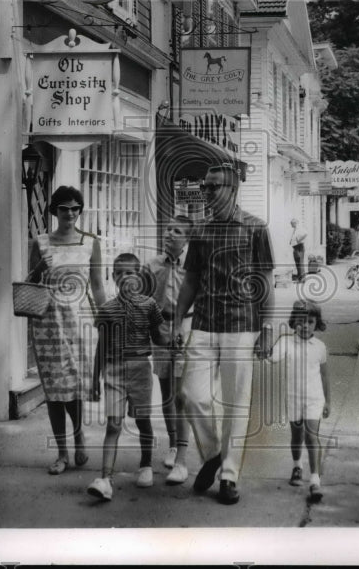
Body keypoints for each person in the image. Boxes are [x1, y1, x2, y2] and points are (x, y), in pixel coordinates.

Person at [173, 163, 275, 505]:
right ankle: (214, 453)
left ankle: (229, 476)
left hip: (241, 326)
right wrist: (176, 321)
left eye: (214, 187)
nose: (207, 192)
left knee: (236, 403)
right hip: (203, 323)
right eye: (205, 187)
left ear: (232, 190)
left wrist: (267, 328)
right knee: (191, 395)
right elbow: (190, 280)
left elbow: (266, 283)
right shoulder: (200, 231)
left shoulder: (256, 229)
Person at [27, 185, 106, 476]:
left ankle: (78, 436)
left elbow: (97, 284)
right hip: (48, 323)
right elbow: (31, 282)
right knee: (54, 390)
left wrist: (104, 316)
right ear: (55, 211)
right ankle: (62, 452)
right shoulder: (42, 242)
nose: (70, 214)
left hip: (80, 321)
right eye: (64, 209)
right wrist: (39, 272)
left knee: (73, 386)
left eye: (75, 208)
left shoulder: (90, 242)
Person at [86, 253, 170, 502]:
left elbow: (158, 338)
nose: (125, 277)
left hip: (140, 368)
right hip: (113, 371)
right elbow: (101, 346)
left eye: (130, 272)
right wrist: (94, 381)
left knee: (143, 420)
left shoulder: (149, 306)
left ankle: (145, 464)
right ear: (113, 277)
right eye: (120, 273)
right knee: (113, 424)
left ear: (139, 278)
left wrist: (171, 341)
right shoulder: (107, 310)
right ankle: (105, 479)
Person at [141, 215, 194, 485]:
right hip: (160, 328)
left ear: (186, 238)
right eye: (168, 229)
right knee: (165, 390)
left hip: (185, 325)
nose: (170, 234)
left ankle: (182, 446)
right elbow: (143, 297)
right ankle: (173, 444)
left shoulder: (193, 265)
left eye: (177, 231)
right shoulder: (152, 265)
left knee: (180, 391)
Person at [266, 299, 331, 504]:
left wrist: (328, 401)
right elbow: (272, 357)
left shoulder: (320, 347)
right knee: (297, 437)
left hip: (314, 399)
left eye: (310, 322)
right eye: (301, 321)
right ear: (294, 322)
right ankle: (297, 465)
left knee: (312, 437)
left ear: (316, 324)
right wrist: (263, 345)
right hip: (294, 398)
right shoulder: (286, 342)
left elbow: (325, 376)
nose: (306, 326)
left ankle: (315, 480)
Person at [289, 218, 307, 282]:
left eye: (291, 224)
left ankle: (302, 279)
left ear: (294, 223)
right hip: (295, 247)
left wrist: (299, 240)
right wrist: (291, 241)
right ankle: (300, 278)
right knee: (297, 263)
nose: (291, 225)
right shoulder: (295, 229)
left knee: (300, 262)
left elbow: (305, 234)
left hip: (299, 247)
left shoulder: (299, 228)